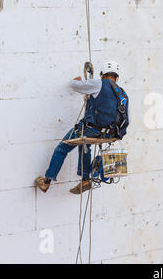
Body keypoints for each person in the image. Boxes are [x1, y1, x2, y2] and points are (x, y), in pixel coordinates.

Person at [34, 61, 129, 194]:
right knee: (84, 145)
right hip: (109, 134)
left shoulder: (99, 83)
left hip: (92, 130)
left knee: (62, 148)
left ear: (102, 74)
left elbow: (75, 85)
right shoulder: (122, 94)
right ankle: (85, 179)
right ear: (116, 77)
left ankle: (47, 181)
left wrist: (77, 80)